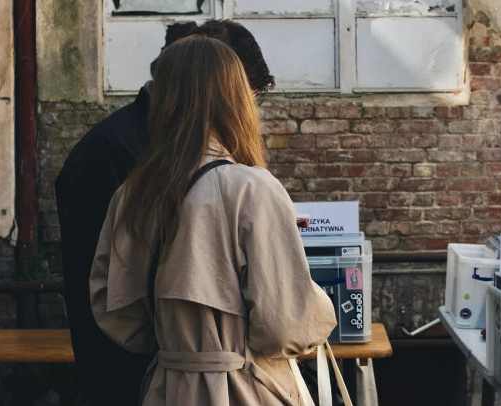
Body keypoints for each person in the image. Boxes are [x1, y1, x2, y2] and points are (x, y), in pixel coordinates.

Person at [89, 36, 336, 405]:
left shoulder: (133, 193)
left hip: (167, 387)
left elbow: (115, 312)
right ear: (236, 99)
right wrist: (317, 301)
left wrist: (181, 345)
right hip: (246, 388)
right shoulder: (251, 187)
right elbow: (286, 326)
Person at [55, 20, 275, 406]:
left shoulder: (143, 154)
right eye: (245, 93)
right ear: (217, 89)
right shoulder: (120, 156)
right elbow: (112, 296)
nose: (251, 110)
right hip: (141, 378)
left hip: (161, 376)